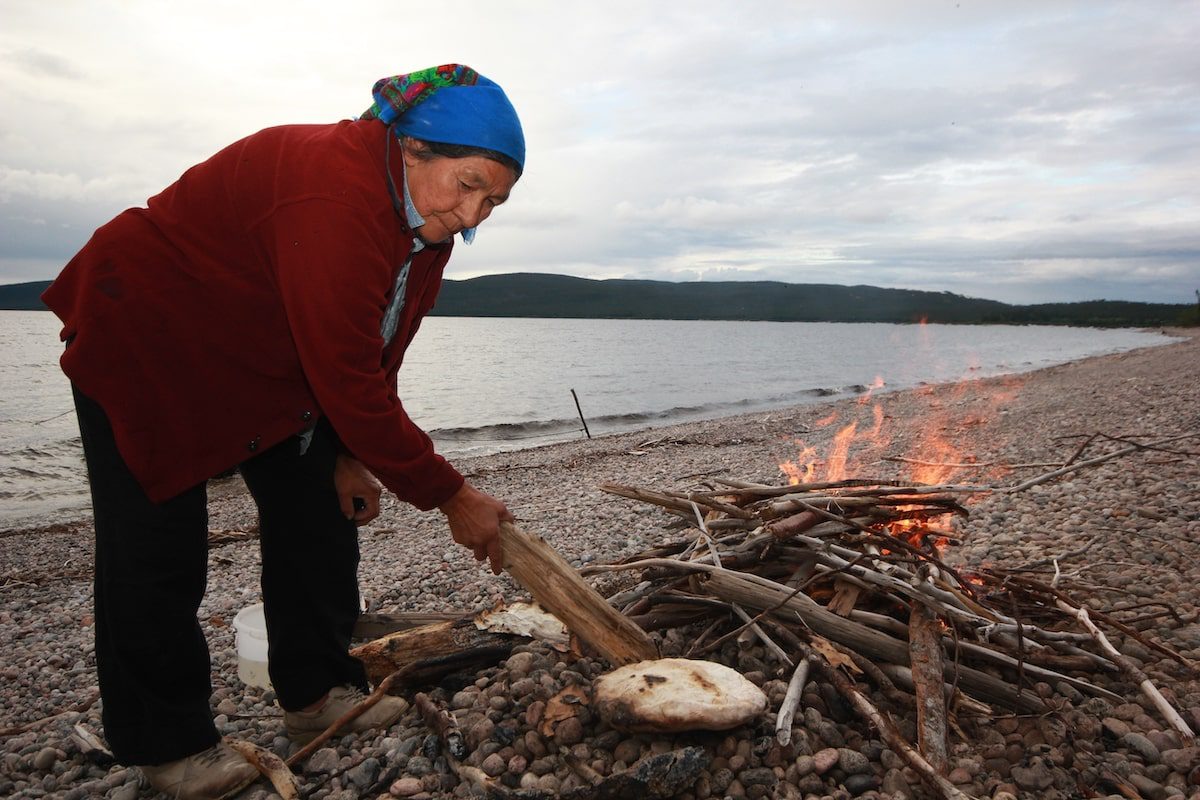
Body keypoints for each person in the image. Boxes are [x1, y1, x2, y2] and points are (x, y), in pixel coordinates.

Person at [42, 64, 523, 800]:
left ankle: (316, 693)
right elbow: (348, 379)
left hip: (261, 355)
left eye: (494, 200)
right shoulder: (331, 192)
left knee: (320, 514)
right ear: (409, 146)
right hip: (145, 333)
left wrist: (351, 458)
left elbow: (376, 351)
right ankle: (169, 747)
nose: (474, 214)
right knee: (158, 545)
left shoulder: (425, 233)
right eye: (468, 183)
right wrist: (454, 496)